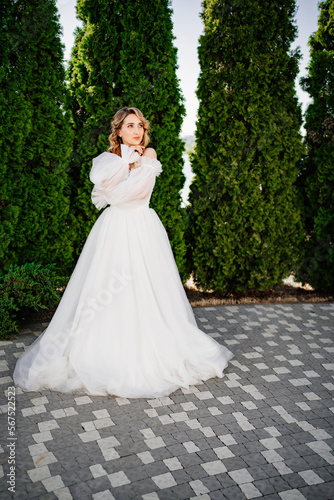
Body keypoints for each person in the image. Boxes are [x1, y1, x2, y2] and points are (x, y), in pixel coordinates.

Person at [13, 107, 233, 398]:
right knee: (106, 291)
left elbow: (129, 194)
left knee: (146, 288)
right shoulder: (107, 160)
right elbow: (105, 191)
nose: (137, 131)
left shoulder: (149, 155)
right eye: (130, 125)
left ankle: (151, 350)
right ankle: (102, 351)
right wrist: (124, 167)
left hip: (141, 227)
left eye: (140, 125)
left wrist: (129, 169)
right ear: (117, 131)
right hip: (113, 230)